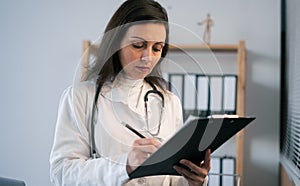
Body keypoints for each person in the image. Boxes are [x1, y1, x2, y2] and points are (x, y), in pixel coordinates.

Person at [49, 0, 211, 185]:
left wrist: (193, 181)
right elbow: (61, 174)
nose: (148, 57)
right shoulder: (81, 97)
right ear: (115, 43)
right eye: (138, 45)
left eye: (157, 48)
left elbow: (172, 180)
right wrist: (124, 165)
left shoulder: (169, 102)